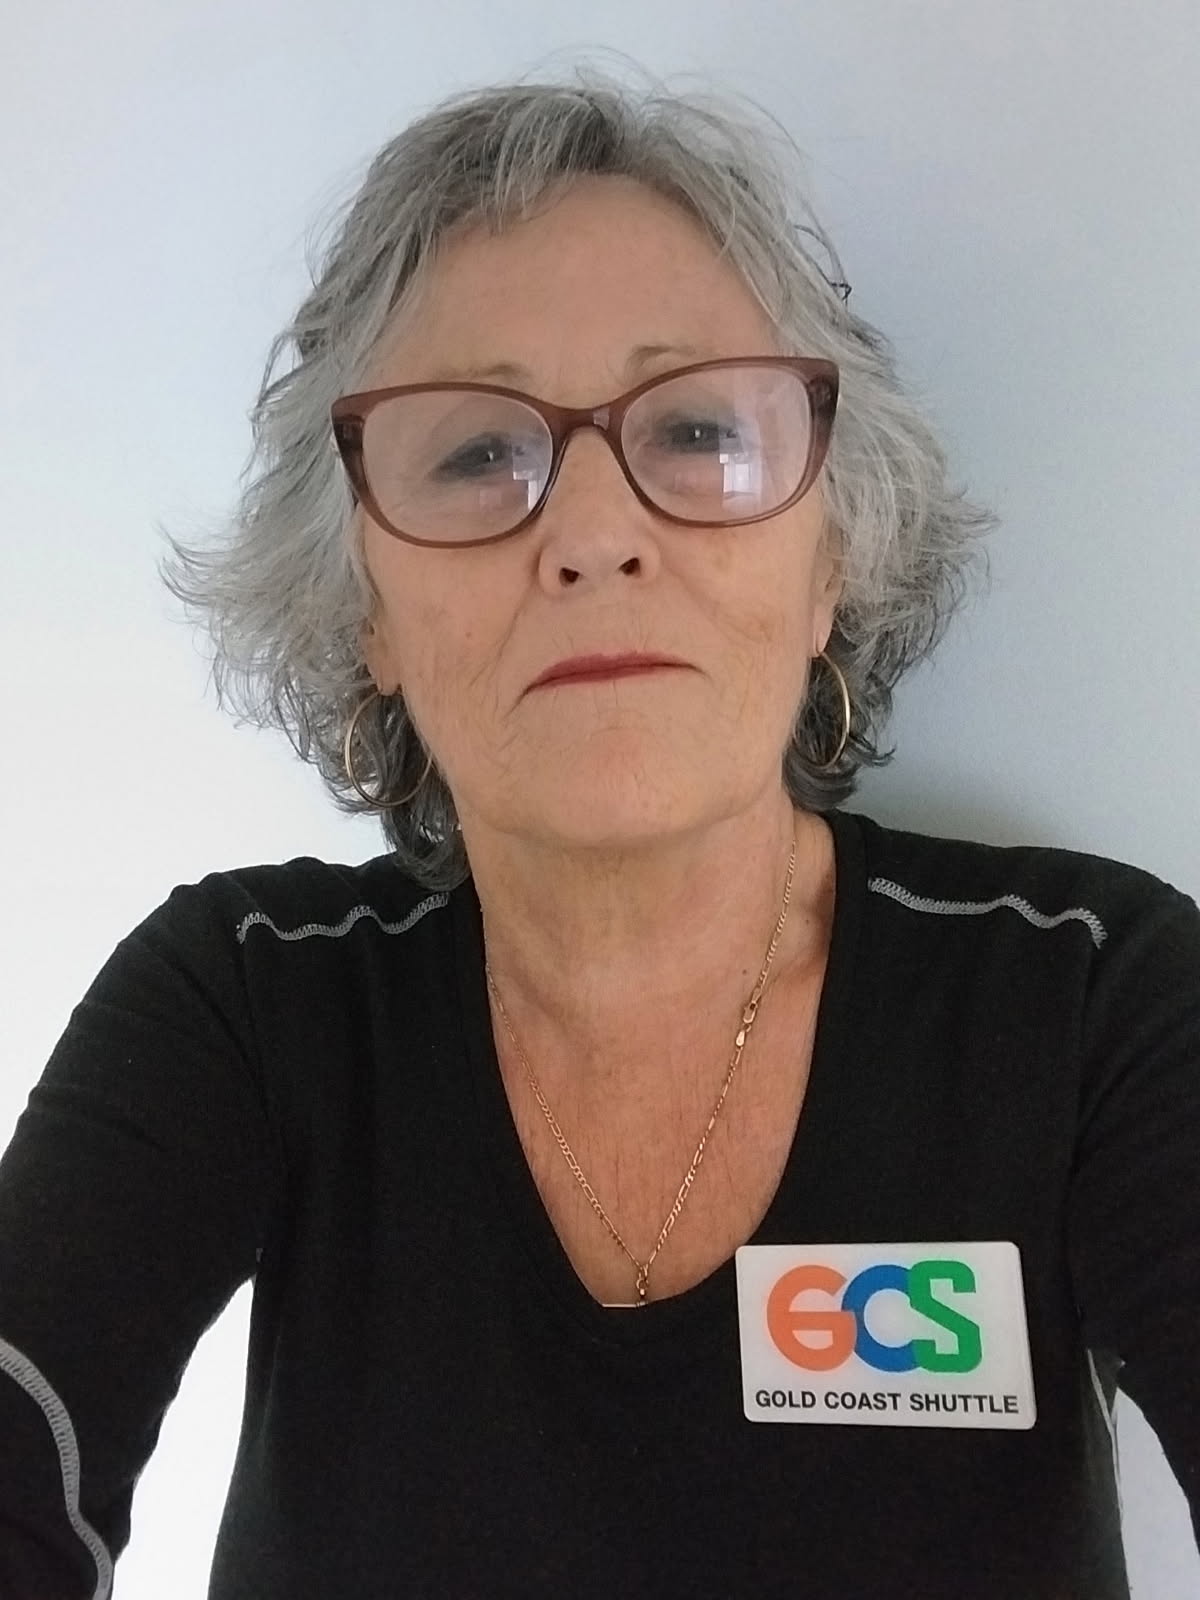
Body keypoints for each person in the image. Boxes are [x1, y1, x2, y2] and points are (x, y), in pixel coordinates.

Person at [1, 63, 1196, 1600]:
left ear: (832, 561)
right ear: (365, 610)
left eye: (694, 428)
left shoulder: (1090, 997)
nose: (593, 532)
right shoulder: (245, 1004)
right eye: (475, 454)